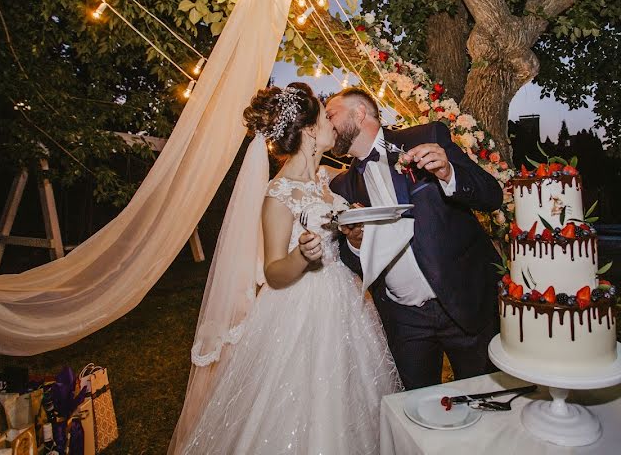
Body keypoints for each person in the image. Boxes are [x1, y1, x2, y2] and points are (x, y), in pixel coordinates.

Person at [169, 83, 401, 455]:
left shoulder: (327, 180)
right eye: (326, 117)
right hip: (299, 310)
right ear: (310, 130)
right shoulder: (278, 194)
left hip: (343, 301)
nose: (332, 124)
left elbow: (341, 235)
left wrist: (352, 229)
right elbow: (274, 272)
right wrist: (302, 257)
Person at [326, 87, 504, 390]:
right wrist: (356, 242)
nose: (327, 123)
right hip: (403, 319)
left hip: (464, 303)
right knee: (416, 413)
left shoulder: (425, 137)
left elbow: (491, 195)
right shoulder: (343, 186)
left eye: (331, 115)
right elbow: (348, 261)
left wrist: (449, 173)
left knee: (484, 399)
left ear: (359, 113)